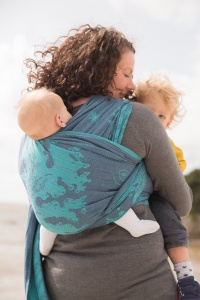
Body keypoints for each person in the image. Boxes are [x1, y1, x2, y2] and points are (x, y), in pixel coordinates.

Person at [18, 24, 195, 300]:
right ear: (100, 70)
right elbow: (182, 202)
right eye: (126, 74)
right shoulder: (137, 118)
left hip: (64, 285)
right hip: (141, 284)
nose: (132, 85)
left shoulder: (38, 132)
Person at [17, 87, 160, 257]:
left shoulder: (33, 151)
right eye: (66, 110)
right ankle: (135, 226)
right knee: (111, 200)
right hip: (83, 214)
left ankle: (44, 248)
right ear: (60, 120)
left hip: (50, 219)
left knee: (48, 214)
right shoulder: (74, 143)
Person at [134, 73, 200, 295]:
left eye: (161, 116)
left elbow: (174, 176)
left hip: (156, 195)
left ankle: (187, 280)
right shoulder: (130, 134)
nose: (154, 120)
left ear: (169, 121)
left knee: (172, 224)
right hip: (131, 194)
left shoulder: (170, 146)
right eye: (149, 112)